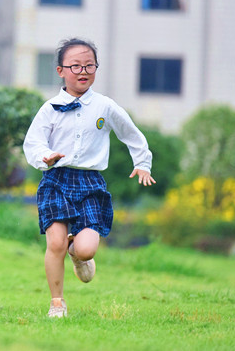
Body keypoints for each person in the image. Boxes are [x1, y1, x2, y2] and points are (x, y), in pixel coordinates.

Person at [23, 38, 156, 318]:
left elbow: (131, 134)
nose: (82, 71)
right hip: (56, 180)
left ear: (96, 68)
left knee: (86, 250)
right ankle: (56, 303)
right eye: (75, 66)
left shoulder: (105, 107)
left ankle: (77, 251)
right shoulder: (50, 108)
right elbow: (33, 143)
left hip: (90, 183)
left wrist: (142, 163)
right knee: (55, 243)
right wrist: (44, 157)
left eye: (89, 66)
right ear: (60, 71)